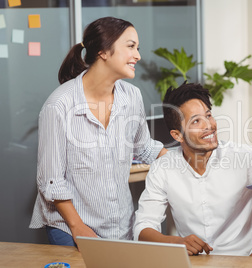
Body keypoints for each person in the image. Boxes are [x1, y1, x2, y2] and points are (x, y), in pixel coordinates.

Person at [29, 16, 167, 247]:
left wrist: (186, 159)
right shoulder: (59, 105)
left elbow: (142, 147)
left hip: (119, 224)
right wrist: (78, 227)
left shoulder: (132, 96)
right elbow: (51, 181)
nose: (138, 56)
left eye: (138, 48)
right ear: (103, 51)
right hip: (69, 225)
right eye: (131, 47)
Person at [134, 82, 252, 256]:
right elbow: (143, 227)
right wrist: (177, 242)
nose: (209, 125)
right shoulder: (162, 169)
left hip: (239, 261)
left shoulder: (243, 158)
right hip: (191, 263)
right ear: (177, 135)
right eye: (196, 121)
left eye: (208, 115)